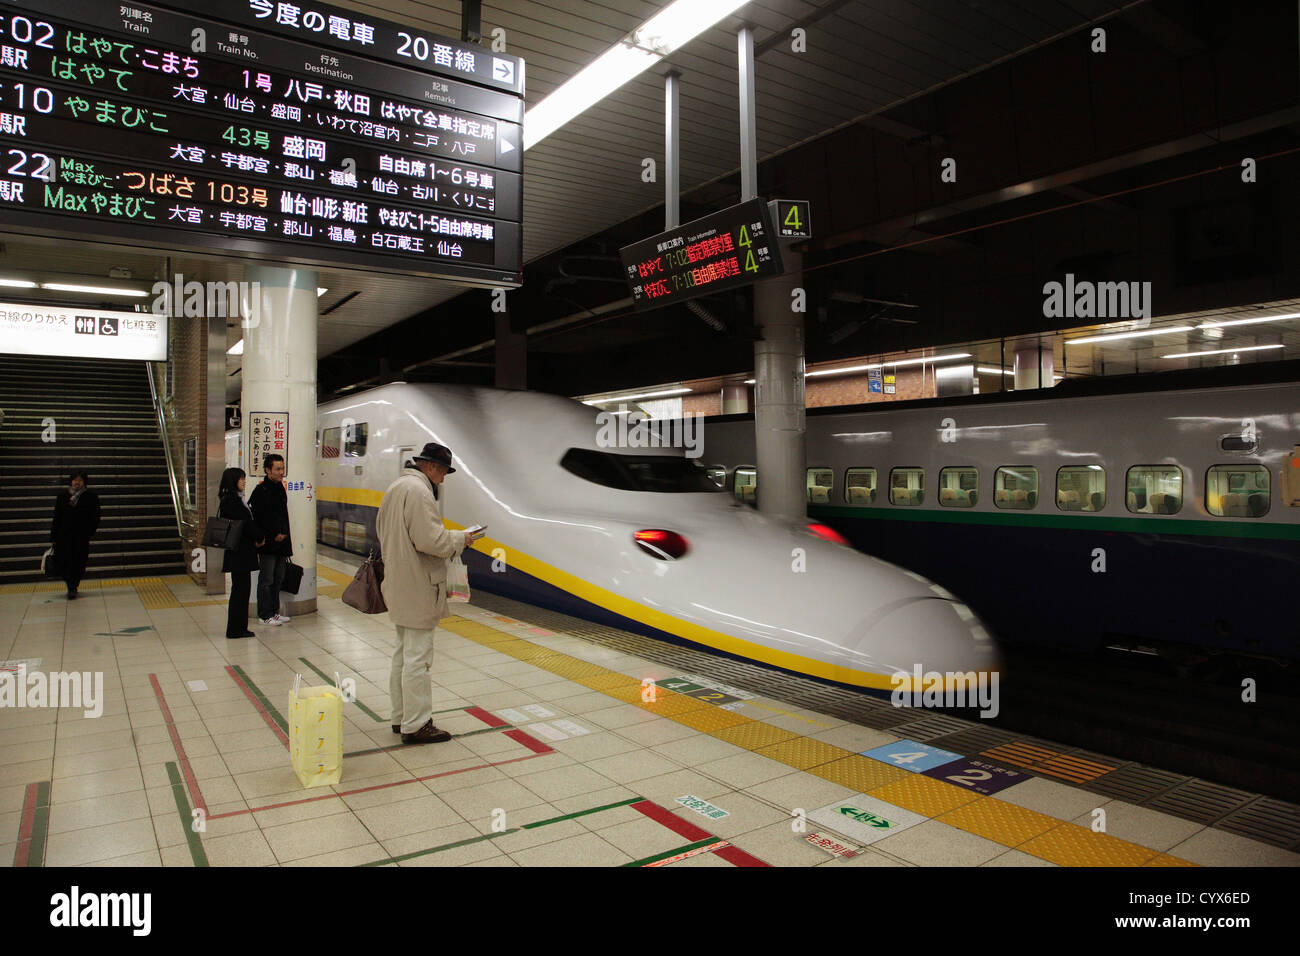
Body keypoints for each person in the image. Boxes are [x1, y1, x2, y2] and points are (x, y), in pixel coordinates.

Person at [376, 442, 482, 744]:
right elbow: (431, 541)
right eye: (444, 472)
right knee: (418, 658)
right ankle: (417, 724)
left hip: (399, 580)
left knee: (403, 652)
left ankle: (400, 717)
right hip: (418, 583)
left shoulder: (396, 487)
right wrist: (461, 538)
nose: (444, 479)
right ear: (432, 467)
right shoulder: (420, 492)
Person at [217, 467, 266, 639]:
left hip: (240, 551)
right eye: (241, 479)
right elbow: (245, 523)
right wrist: (259, 536)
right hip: (239, 552)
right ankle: (236, 629)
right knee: (241, 590)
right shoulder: (231, 501)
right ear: (233, 481)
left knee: (241, 589)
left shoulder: (232, 499)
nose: (244, 482)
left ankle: (239, 627)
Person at [248, 453, 292, 627]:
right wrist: (270, 534)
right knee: (267, 579)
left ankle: (275, 612)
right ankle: (264, 614)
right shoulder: (261, 491)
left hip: (282, 542)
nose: (282, 472)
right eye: (278, 469)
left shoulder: (280, 487)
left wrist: (284, 533)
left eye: (283, 468)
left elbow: (282, 515)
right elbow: (258, 517)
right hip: (267, 543)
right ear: (268, 470)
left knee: (278, 578)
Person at [51, 469, 100, 600]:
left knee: (80, 561)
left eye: (80, 480)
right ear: (71, 481)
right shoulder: (62, 497)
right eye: (75, 480)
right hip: (64, 536)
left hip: (81, 536)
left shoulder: (91, 497)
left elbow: (95, 516)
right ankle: (70, 587)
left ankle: (74, 584)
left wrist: (90, 532)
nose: (77, 482)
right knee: (66, 561)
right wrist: (53, 536)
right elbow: (57, 517)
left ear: (84, 482)